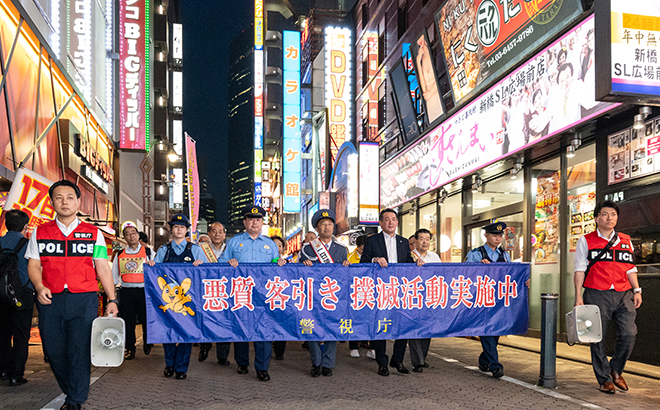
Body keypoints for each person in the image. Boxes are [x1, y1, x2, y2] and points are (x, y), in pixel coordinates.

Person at [26, 180, 118, 410]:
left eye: (69, 197)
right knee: (54, 352)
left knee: (79, 349)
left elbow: (103, 267)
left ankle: (75, 399)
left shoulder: (93, 233)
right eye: (59, 197)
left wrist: (112, 298)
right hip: (50, 299)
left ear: (78, 201)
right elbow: (34, 265)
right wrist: (39, 286)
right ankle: (73, 389)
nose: (64, 201)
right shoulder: (40, 232)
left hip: (83, 299)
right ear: (52, 202)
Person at [574, 200, 642, 394]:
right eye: (604, 214)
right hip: (596, 292)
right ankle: (604, 379)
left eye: (613, 214)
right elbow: (579, 269)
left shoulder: (626, 239)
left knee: (629, 333)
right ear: (596, 218)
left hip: (623, 293)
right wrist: (578, 296)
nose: (609, 218)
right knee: (596, 337)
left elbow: (631, 268)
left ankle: (616, 370)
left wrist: (637, 290)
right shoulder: (586, 240)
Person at [219, 205, 287, 382]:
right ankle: (242, 362)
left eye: (258, 219)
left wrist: (279, 261)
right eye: (251, 219)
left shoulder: (269, 244)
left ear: (262, 222)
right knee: (241, 328)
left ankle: (262, 368)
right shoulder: (234, 242)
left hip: (264, 294)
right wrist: (229, 262)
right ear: (244, 222)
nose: (254, 222)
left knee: (263, 331)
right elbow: (221, 263)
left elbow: (275, 264)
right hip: (241, 293)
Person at [360, 208, 422, 376]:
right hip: (381, 292)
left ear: (397, 222)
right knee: (380, 326)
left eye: (393, 219)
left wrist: (417, 264)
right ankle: (382, 362)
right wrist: (375, 260)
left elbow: (408, 263)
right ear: (380, 223)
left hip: (400, 291)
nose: (390, 222)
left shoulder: (403, 242)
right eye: (386, 219)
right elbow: (363, 262)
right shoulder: (372, 241)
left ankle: (398, 360)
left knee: (403, 326)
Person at [147, 213, 207, 380]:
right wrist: (152, 265)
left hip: (188, 301)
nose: (179, 229)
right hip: (167, 301)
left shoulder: (196, 250)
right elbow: (155, 273)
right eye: (175, 227)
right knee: (168, 333)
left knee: (186, 334)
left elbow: (207, 274)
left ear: (187, 230)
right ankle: (169, 365)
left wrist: (201, 265)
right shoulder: (164, 250)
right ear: (171, 230)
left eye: (182, 227)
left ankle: (181, 367)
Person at [299, 210, 350, 377]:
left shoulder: (342, 249)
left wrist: (346, 266)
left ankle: (328, 363)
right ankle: (316, 362)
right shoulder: (307, 248)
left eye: (329, 224)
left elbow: (344, 275)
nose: (327, 227)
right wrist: (303, 265)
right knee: (311, 328)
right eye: (323, 224)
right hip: (312, 296)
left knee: (331, 329)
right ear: (317, 227)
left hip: (332, 295)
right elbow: (297, 273)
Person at [465, 222, 511, 379]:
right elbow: (464, 275)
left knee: (495, 332)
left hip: (498, 301)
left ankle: (484, 360)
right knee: (487, 331)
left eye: (500, 236)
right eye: (494, 236)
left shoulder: (505, 255)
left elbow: (511, 275)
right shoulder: (475, 254)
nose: (498, 239)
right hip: (481, 301)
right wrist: (478, 266)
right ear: (486, 236)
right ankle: (495, 365)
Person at [111, 221, 155, 361]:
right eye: (127, 235)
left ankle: (148, 341)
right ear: (124, 238)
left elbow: (156, 271)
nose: (131, 237)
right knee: (127, 321)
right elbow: (114, 275)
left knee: (146, 319)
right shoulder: (119, 254)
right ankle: (130, 347)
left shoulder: (148, 252)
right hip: (126, 291)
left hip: (144, 291)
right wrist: (112, 295)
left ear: (138, 235)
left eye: (133, 234)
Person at [0, 210, 32, 386]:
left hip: (0, 295)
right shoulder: (28, 245)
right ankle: (15, 374)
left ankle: (3, 369)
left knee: (2, 333)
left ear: (6, 224)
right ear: (26, 226)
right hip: (22, 294)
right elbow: (36, 270)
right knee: (20, 336)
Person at [198, 222, 231, 365]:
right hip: (207, 290)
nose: (217, 234)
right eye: (214, 231)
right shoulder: (201, 249)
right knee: (206, 320)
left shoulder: (230, 249)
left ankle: (222, 356)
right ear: (209, 234)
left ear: (224, 234)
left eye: (220, 231)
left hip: (226, 291)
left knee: (225, 322)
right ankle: (204, 346)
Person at [408, 228, 441, 372]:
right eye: (421, 238)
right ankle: (418, 362)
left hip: (429, 298)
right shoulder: (408, 256)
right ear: (415, 241)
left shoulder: (434, 257)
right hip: (413, 298)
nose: (425, 242)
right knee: (414, 330)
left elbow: (442, 275)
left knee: (427, 330)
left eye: (427, 239)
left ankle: (423, 357)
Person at [346, 235, 371, 358]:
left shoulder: (373, 257)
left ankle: (370, 346)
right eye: (362, 248)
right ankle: (353, 346)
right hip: (354, 293)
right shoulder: (350, 257)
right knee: (354, 321)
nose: (364, 250)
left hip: (370, 292)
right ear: (357, 247)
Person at [270, 235, 288, 361]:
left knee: (282, 324)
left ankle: (279, 351)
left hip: (282, 298)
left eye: (280, 245)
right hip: (268, 297)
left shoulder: (288, 263)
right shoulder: (262, 262)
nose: (277, 247)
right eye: (274, 245)